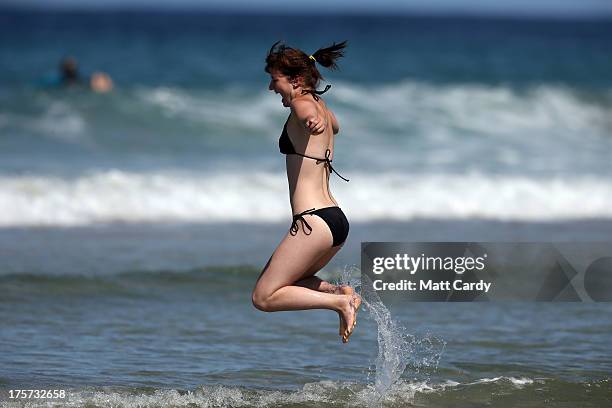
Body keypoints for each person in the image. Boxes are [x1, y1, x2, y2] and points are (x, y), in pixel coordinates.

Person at [252, 41, 361, 343]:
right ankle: (341, 293)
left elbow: (303, 110)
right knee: (293, 281)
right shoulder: (323, 108)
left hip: (312, 222)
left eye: (275, 79)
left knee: (263, 297)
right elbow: (334, 126)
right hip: (335, 221)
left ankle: (339, 302)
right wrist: (317, 117)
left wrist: (307, 118)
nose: (271, 87)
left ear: (296, 80)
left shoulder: (304, 105)